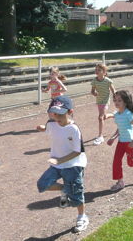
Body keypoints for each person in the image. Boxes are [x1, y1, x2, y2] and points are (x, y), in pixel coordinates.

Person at [35, 95, 89, 233]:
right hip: (57, 164)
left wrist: (59, 160)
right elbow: (48, 128)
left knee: (76, 194)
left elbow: (77, 151)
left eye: (60, 113)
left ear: (70, 112)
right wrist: (42, 128)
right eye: (54, 112)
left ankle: (82, 217)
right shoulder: (51, 123)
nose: (56, 116)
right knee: (42, 184)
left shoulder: (74, 129)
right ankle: (65, 189)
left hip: (73, 165)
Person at [91, 64, 116, 146]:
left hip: (105, 100)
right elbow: (92, 91)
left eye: (99, 70)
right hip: (99, 101)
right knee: (103, 117)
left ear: (104, 72)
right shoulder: (94, 80)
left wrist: (116, 99)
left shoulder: (108, 81)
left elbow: (113, 90)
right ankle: (113, 115)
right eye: (96, 70)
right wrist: (94, 93)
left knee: (100, 117)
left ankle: (100, 136)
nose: (96, 71)